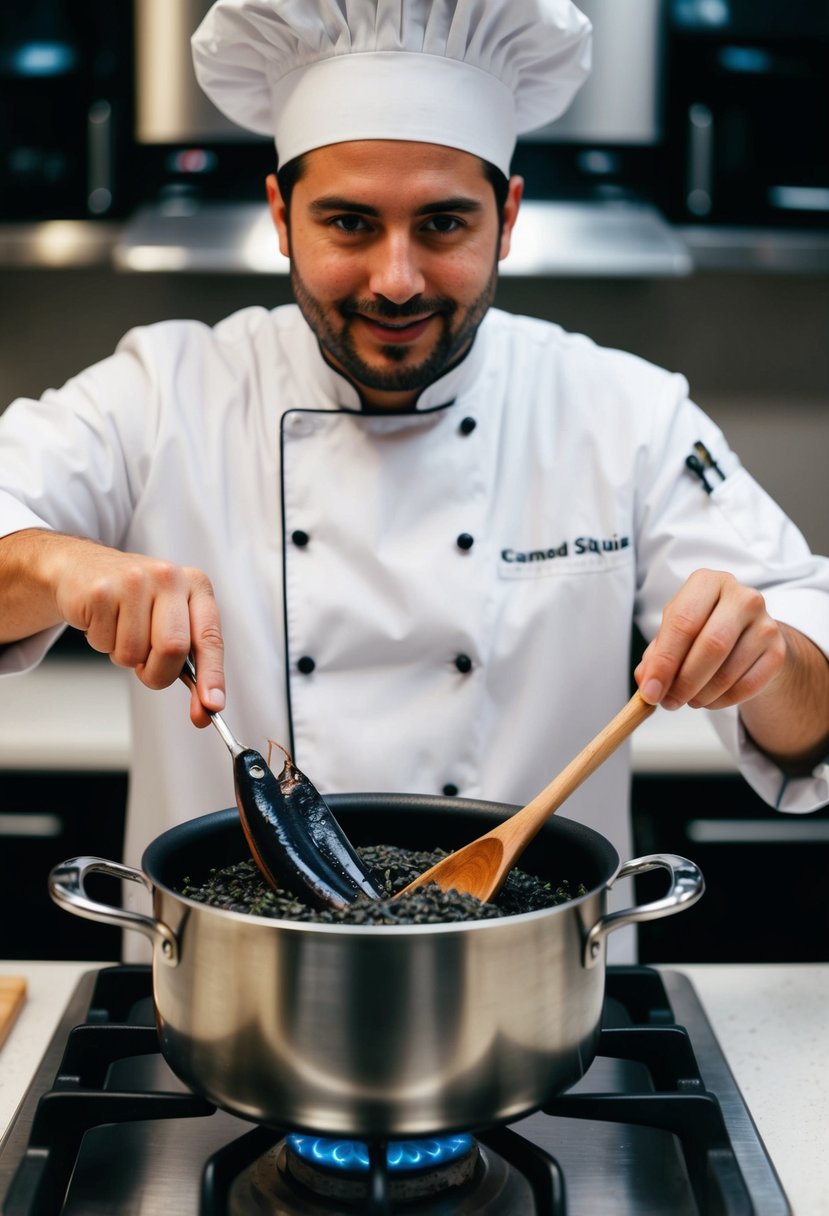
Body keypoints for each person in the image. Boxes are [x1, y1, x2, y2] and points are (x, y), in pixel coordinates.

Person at [0, 0, 827, 959]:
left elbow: (813, 710)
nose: (396, 279)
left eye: (442, 223)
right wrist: (56, 567)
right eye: (348, 223)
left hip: (530, 1004)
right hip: (227, 1004)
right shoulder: (162, 392)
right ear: (279, 216)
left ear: (508, 217)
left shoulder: (620, 413)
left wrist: (763, 660)